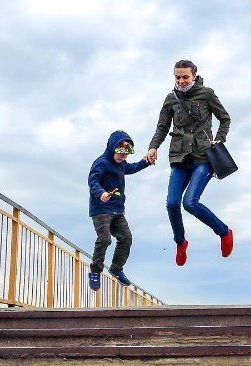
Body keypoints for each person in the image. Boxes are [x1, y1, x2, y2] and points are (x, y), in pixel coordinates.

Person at [145, 59, 233, 266]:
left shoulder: (207, 94)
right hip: (179, 158)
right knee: (172, 203)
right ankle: (180, 243)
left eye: (185, 77)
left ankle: (224, 232)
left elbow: (225, 118)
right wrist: (153, 146)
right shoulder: (171, 99)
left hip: (203, 157)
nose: (182, 81)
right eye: (178, 77)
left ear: (194, 75)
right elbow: (162, 127)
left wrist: (220, 138)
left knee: (190, 203)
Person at [88, 130, 150, 291]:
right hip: (101, 209)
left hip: (117, 210)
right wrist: (100, 193)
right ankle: (95, 271)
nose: (123, 158)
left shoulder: (121, 164)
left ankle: (116, 268)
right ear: (112, 148)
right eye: (120, 154)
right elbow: (93, 179)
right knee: (105, 239)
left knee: (126, 237)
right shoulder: (101, 162)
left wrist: (146, 161)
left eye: (125, 156)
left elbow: (132, 168)